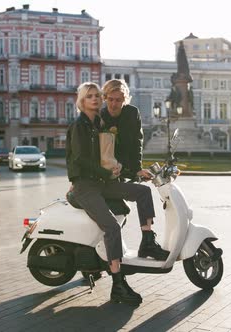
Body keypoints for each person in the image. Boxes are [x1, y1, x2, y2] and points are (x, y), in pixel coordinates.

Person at [66, 82, 166, 305]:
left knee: (142, 193)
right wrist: (90, 176)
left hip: (103, 181)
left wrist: (121, 169)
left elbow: (112, 151)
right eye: (89, 96)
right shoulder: (79, 126)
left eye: (96, 96)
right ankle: (118, 284)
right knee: (111, 226)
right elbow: (79, 160)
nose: (96, 99)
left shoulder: (97, 124)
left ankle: (148, 241)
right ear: (82, 101)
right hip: (87, 186)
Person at [100, 79, 169, 261]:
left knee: (127, 206)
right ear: (105, 98)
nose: (115, 104)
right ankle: (147, 244)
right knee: (142, 194)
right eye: (111, 99)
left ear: (125, 99)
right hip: (105, 176)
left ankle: (145, 242)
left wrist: (137, 169)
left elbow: (137, 143)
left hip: (122, 171)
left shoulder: (132, 113)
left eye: (119, 99)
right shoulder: (99, 118)